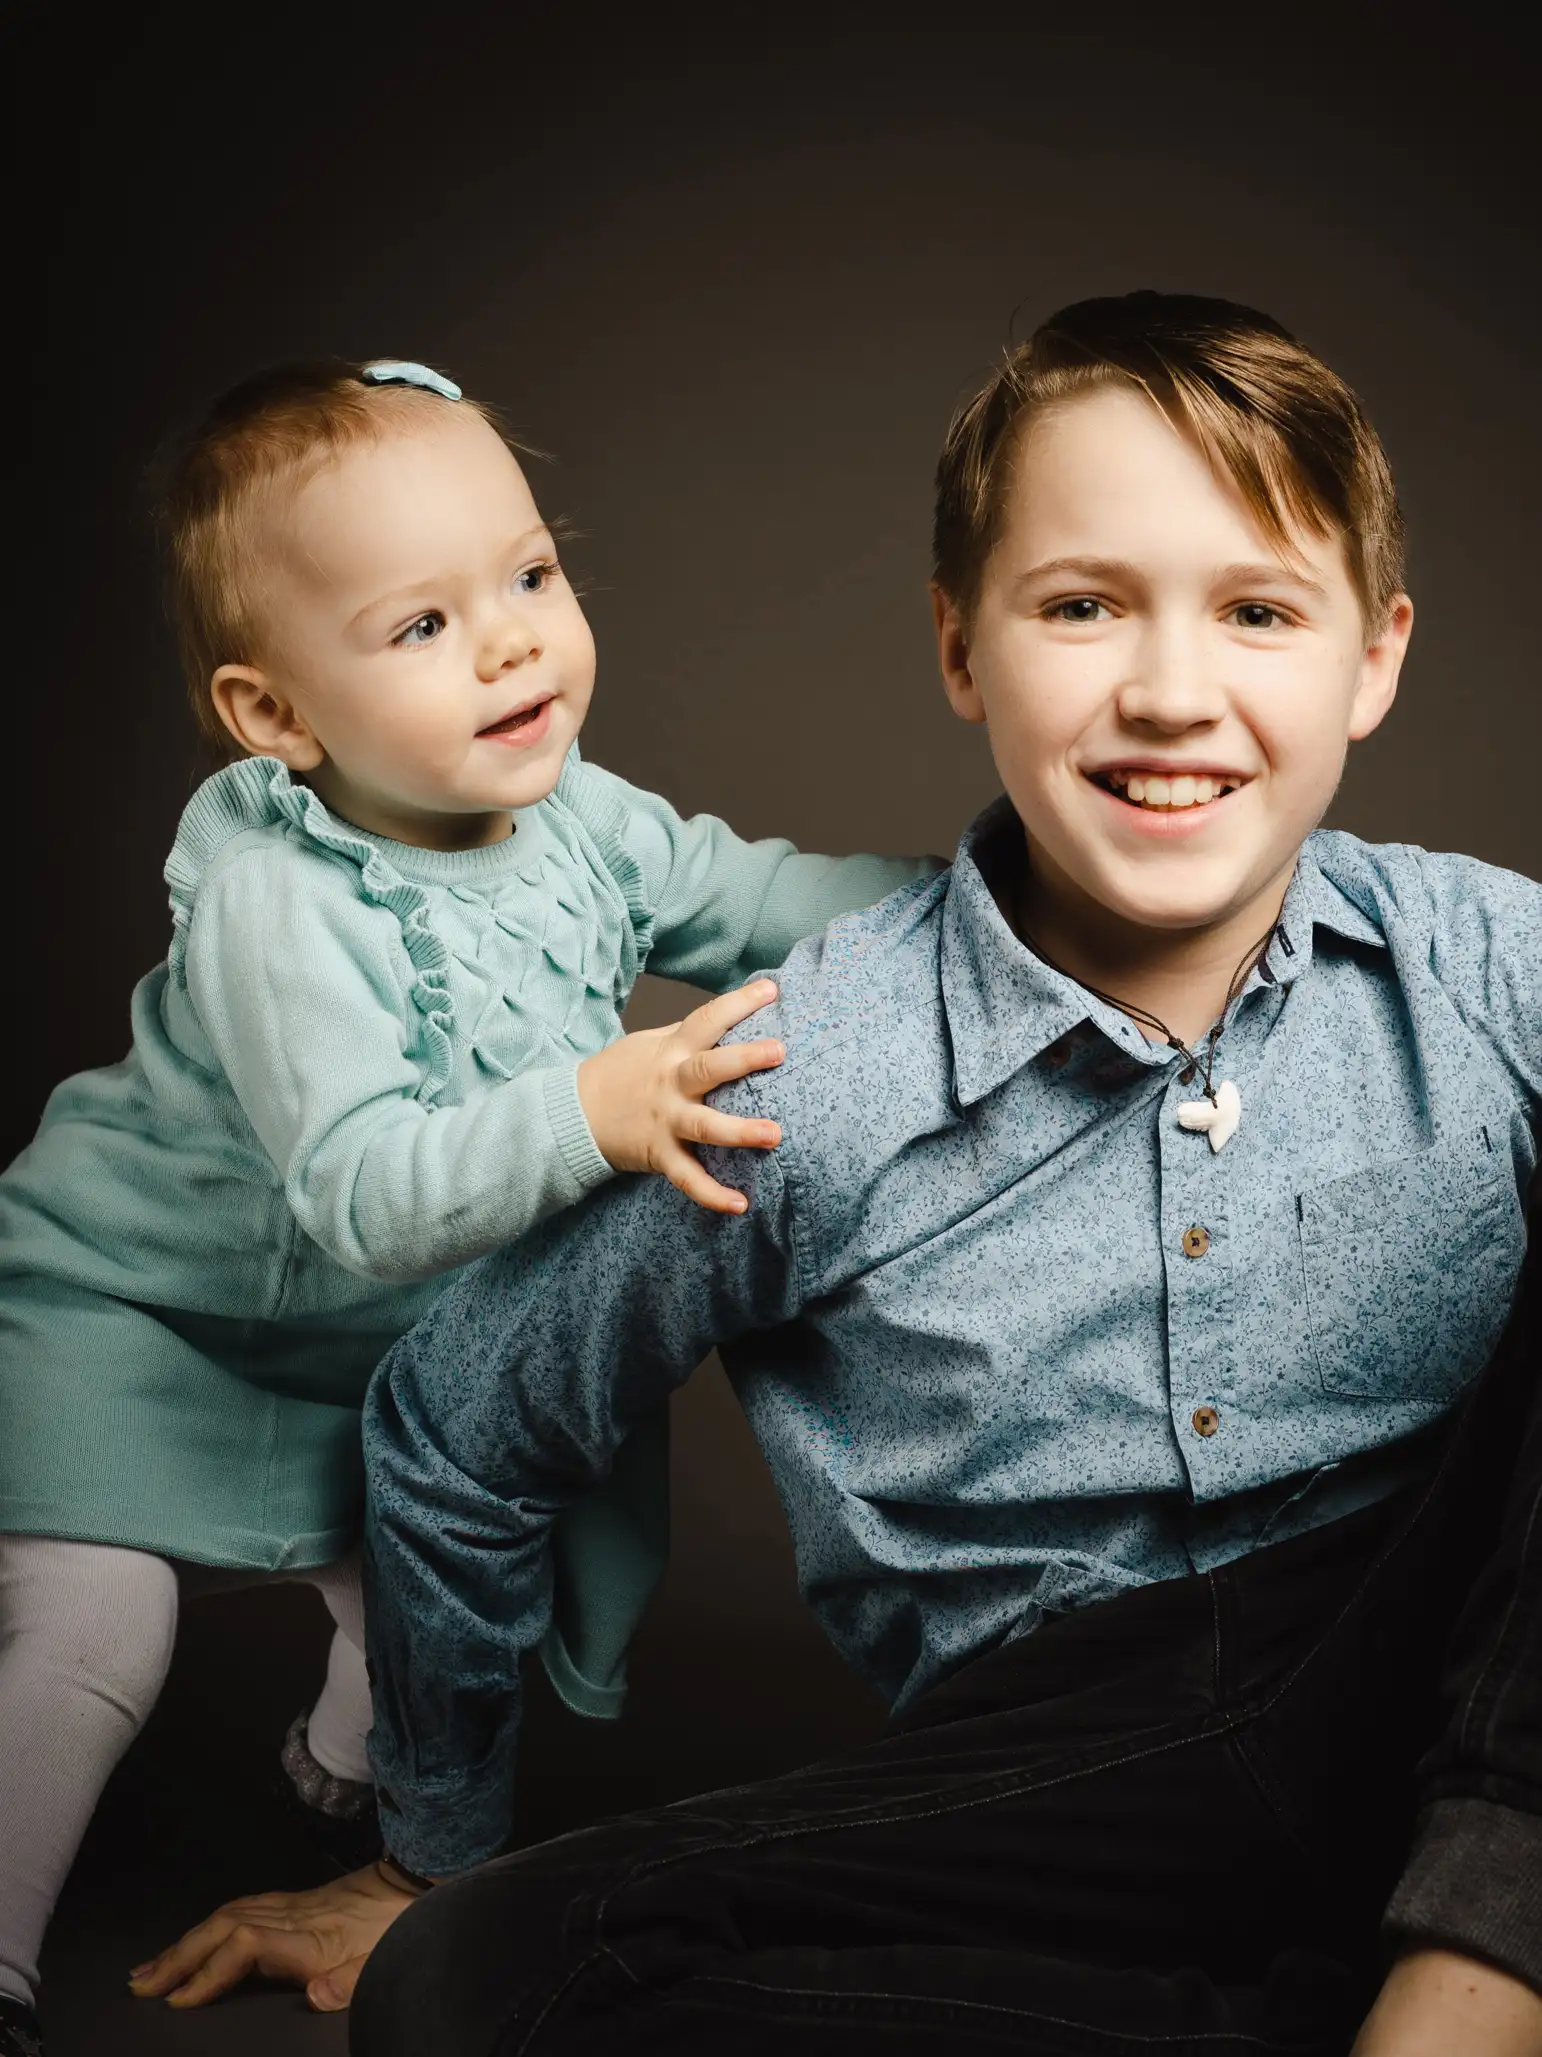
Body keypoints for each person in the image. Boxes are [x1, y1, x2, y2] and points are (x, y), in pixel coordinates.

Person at [133, 294, 1541, 2054]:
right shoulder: (810, 1068)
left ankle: (1476, 1977)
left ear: (1371, 661)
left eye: (1257, 612)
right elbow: (460, 1424)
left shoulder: (1486, 967)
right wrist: (427, 1852)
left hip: (1469, 1681)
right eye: (1081, 607)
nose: (1171, 694)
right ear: (960, 647)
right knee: (473, 1985)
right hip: (1057, 1783)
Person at [0, 357, 937, 2057]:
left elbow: (767, 897)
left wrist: (989, 898)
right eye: (422, 624)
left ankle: (342, 1767)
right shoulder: (280, 902)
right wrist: (591, 1109)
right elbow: (364, 1191)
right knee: (90, 1632)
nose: (512, 644)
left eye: (529, 575)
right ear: (276, 716)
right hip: (138, 1313)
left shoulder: (575, 815)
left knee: (430, 1599)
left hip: (365, 1352)